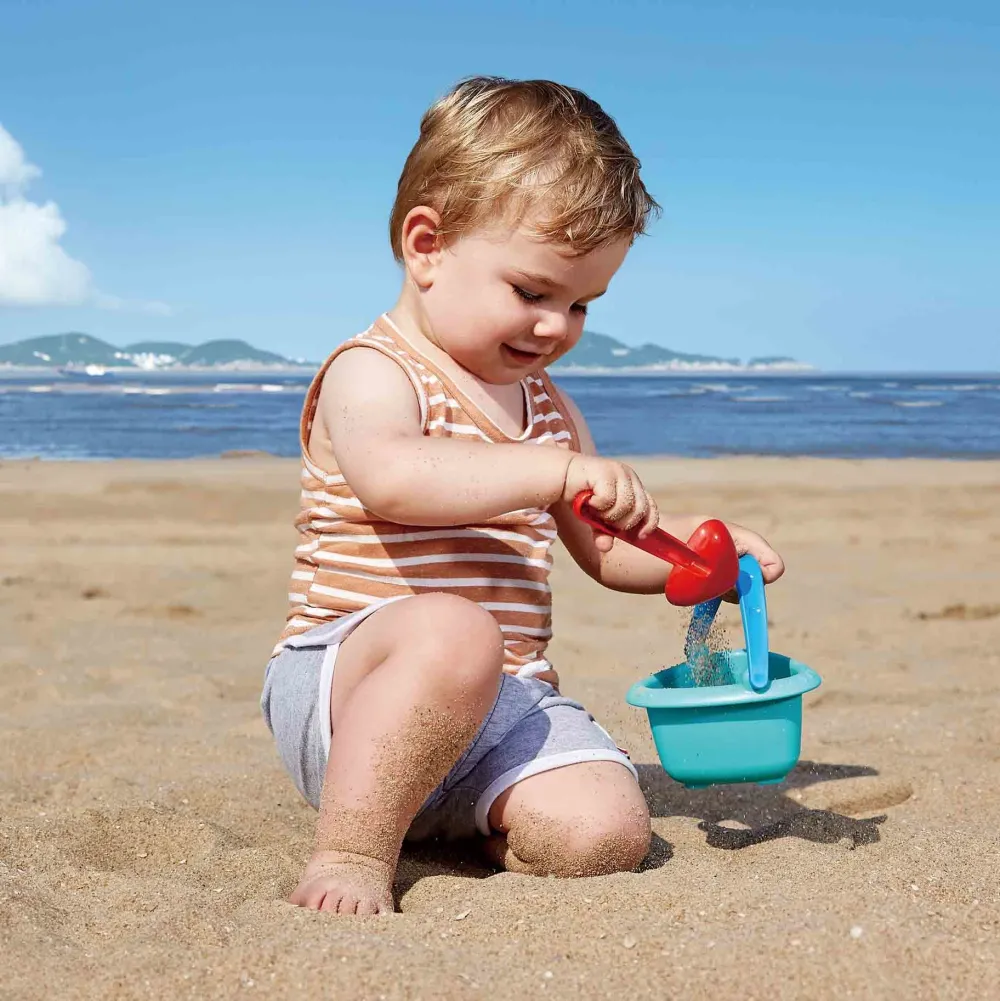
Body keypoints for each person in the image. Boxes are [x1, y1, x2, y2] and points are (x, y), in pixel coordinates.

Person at [260, 76, 784, 915]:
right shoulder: (374, 370)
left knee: (607, 834)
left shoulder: (552, 412)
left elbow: (609, 549)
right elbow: (394, 475)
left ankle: (468, 817)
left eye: (582, 304)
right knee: (453, 628)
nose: (557, 327)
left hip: (496, 709)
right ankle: (355, 847)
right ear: (426, 246)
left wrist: (702, 555)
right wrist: (550, 472)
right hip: (351, 693)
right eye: (533, 291)